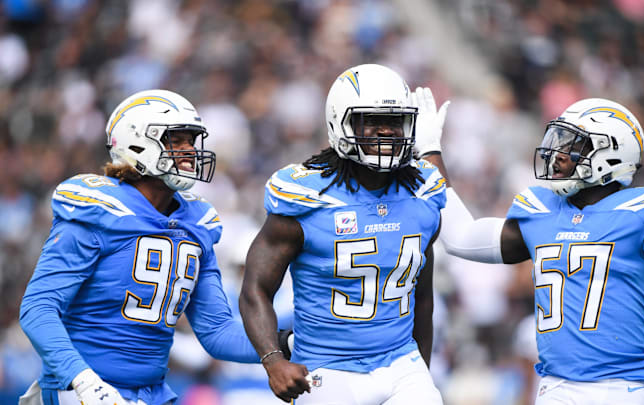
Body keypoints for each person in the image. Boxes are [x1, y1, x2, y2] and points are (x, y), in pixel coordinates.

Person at [412, 89, 644, 404]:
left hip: (622, 388)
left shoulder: (643, 211)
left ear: (608, 154)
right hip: (554, 387)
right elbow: (460, 236)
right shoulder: (541, 211)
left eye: (572, 146)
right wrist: (430, 153)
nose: (557, 154)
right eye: (559, 142)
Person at [18, 89, 278, 405]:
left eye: (191, 142)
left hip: (151, 393)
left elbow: (218, 333)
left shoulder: (197, 223)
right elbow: (38, 308)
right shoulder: (99, 211)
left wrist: (289, 344)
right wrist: (84, 381)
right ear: (137, 142)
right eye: (176, 141)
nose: (189, 152)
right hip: (80, 390)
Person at [239, 64, 446, 404]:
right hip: (327, 368)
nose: (386, 132)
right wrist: (273, 361)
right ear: (341, 123)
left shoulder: (423, 193)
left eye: (394, 122)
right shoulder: (307, 198)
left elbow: (422, 297)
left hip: (401, 363)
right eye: (372, 121)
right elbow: (255, 288)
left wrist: (420, 370)